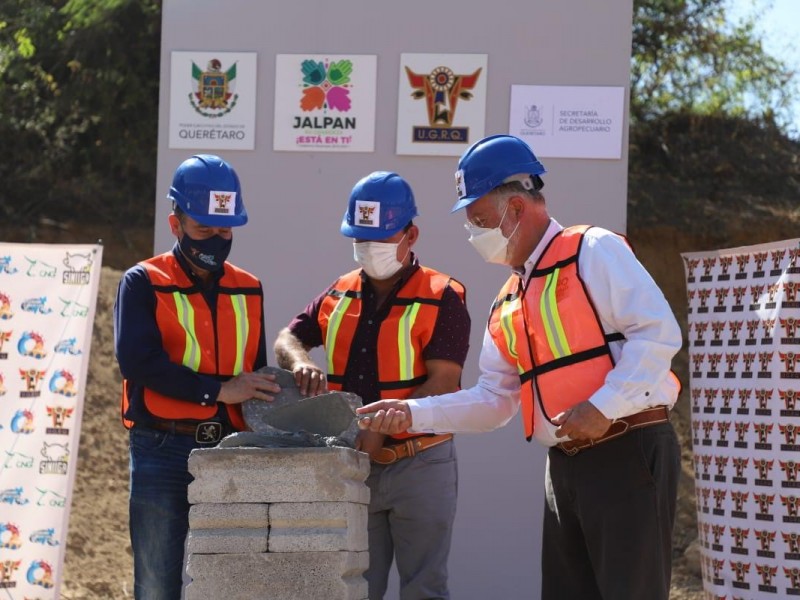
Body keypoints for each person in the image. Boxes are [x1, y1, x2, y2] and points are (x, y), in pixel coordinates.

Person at [357, 135, 683, 600]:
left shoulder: (593, 249)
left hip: (626, 451)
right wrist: (412, 414)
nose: (475, 236)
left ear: (516, 208)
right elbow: (494, 401)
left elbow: (657, 334)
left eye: (481, 221)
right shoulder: (509, 298)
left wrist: (604, 405)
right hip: (565, 467)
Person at [273, 171, 471, 600]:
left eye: (380, 239)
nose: (369, 249)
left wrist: (381, 424)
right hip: (353, 464)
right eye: (361, 239)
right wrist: (302, 361)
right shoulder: (338, 292)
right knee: (354, 588)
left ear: (411, 234)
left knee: (424, 588)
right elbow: (287, 339)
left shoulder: (443, 294)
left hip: (420, 463)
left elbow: (445, 381)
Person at [114, 154, 280, 600]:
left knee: (228, 584)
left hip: (229, 449)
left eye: (225, 230)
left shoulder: (249, 287)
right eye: (204, 229)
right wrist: (219, 389)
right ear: (175, 223)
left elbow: (253, 375)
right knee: (156, 585)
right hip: (160, 450)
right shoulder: (142, 282)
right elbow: (138, 362)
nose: (217, 240)